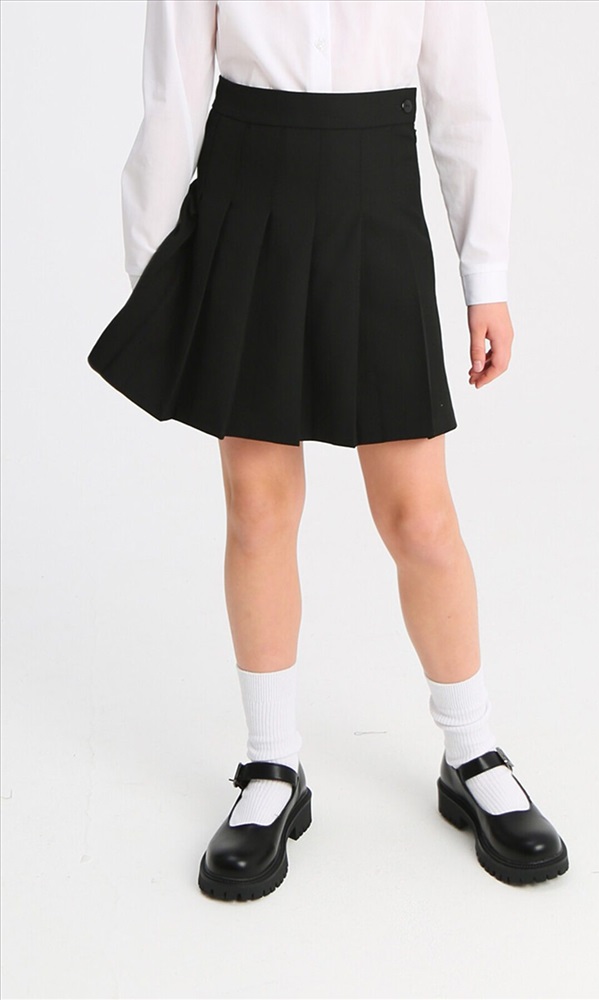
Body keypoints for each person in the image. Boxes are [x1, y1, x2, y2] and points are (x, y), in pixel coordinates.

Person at [87, 0, 569, 901]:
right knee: (258, 507)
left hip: (374, 204)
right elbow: (172, 97)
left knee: (420, 518)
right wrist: (154, 274)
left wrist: (487, 277)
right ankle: (271, 767)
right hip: (245, 202)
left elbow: (465, 100)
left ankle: (473, 752)